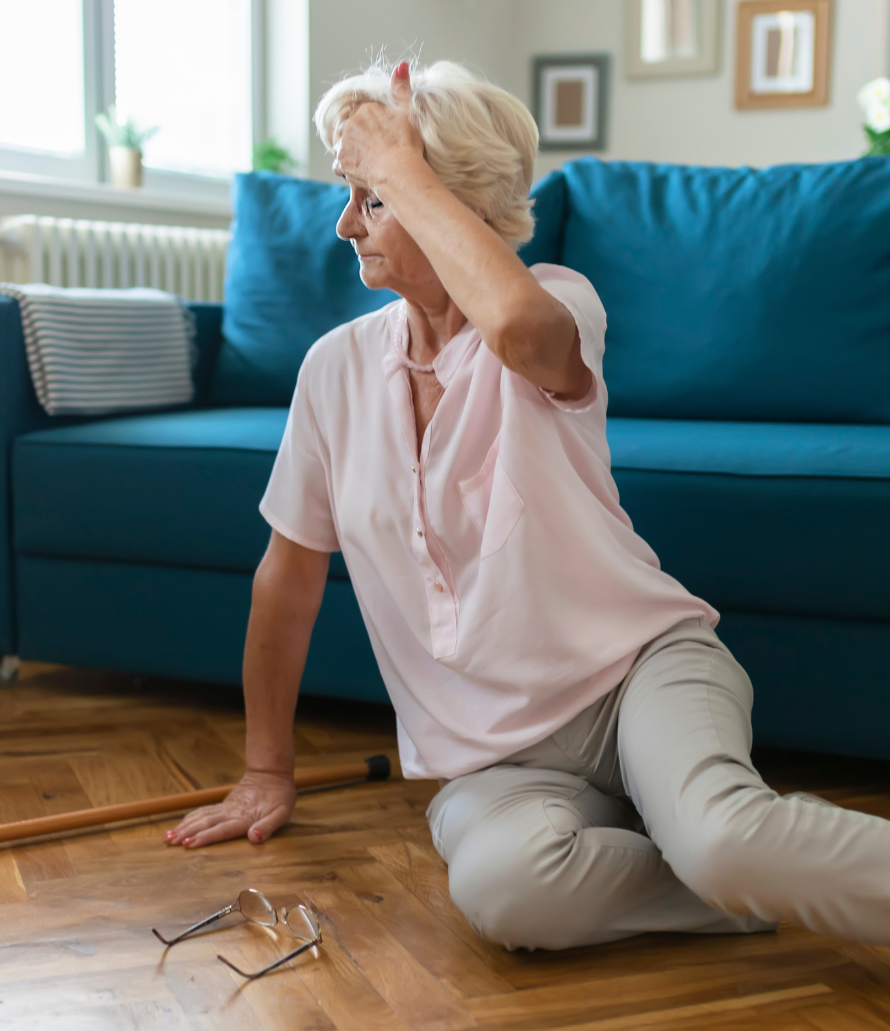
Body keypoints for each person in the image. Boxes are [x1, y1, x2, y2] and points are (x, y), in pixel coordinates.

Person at [165, 58, 890, 951]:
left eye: (373, 196)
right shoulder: (334, 371)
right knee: (508, 893)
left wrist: (402, 168)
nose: (348, 222)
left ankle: (728, 850)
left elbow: (513, 330)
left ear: (448, 199)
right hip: (490, 759)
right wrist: (265, 769)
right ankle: (745, 879)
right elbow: (287, 580)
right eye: (352, 193)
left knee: (724, 834)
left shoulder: (556, 303)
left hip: (637, 678)